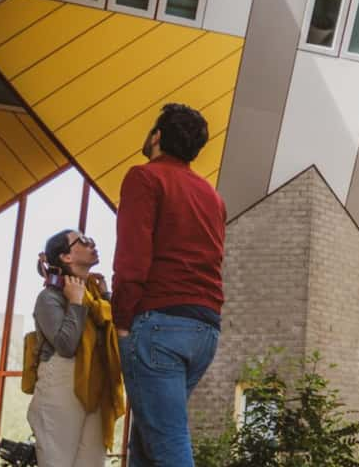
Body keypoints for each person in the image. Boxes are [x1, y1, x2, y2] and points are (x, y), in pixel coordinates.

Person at [113, 103, 226, 467]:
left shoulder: (145, 178)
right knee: (148, 442)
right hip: (204, 329)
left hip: (158, 323)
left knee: (167, 442)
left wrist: (122, 322)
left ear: (157, 136)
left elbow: (132, 257)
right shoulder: (211, 195)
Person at [27, 229, 124, 467]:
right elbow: (66, 345)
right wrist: (76, 303)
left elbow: (114, 334)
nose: (91, 243)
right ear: (66, 257)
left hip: (95, 383)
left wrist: (105, 296)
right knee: (57, 460)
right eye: (82, 241)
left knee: (92, 462)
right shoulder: (49, 298)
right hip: (62, 383)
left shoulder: (96, 297)